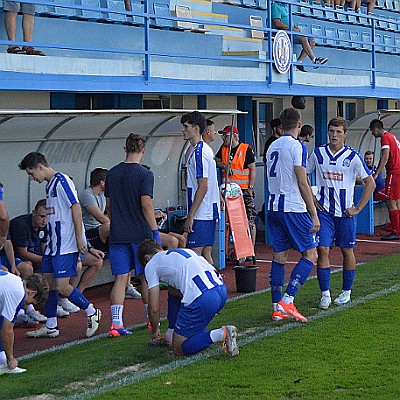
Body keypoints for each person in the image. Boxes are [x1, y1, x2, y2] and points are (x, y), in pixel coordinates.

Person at [18, 152, 102, 338]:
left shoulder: (62, 180)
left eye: (31, 173)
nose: (32, 178)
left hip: (65, 245)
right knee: (47, 285)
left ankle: (91, 311)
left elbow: (75, 206)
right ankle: (51, 325)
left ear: (40, 167)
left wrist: (81, 238)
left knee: (62, 286)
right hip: (53, 245)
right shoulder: (50, 186)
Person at [307, 117, 375, 309]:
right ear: (327, 132)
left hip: (345, 213)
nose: (334, 135)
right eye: (331, 131)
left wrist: (358, 208)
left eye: (338, 132)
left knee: (347, 251)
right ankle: (325, 294)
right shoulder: (319, 153)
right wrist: (312, 199)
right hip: (325, 212)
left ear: (345, 134)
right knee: (322, 250)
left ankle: (346, 292)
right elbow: (303, 174)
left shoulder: (353, 157)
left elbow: (369, 182)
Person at [138, 239, 238, 357]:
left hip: (203, 298)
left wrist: (154, 332)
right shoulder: (179, 252)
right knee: (172, 290)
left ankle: (221, 334)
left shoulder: (151, 264)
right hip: (221, 290)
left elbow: (153, 308)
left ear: (147, 258)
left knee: (179, 348)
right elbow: (174, 291)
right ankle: (171, 333)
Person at [266, 107, 319, 323]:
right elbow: (302, 180)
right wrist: (313, 212)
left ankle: (276, 306)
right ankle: (288, 300)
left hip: (273, 206)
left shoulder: (272, 146)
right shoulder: (297, 147)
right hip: (292, 207)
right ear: (299, 124)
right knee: (311, 254)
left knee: (280, 254)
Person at [105, 133, 161, 337]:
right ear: (143, 150)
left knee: (121, 279)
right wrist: (155, 231)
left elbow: (109, 207)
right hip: (141, 235)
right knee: (146, 278)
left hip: (118, 233)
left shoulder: (111, 174)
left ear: (125, 149)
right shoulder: (145, 174)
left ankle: (116, 324)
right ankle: (150, 319)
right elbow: (146, 204)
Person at [182, 111, 220, 265]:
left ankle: (210, 287)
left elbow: (203, 186)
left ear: (196, 128)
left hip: (202, 213)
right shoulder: (200, 150)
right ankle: (215, 287)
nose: (183, 130)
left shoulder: (200, 152)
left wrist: (190, 216)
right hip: (206, 211)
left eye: (186, 127)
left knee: (195, 260)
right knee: (205, 257)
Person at [216, 125, 257, 248]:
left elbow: (253, 169)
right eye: (222, 135)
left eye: (226, 135)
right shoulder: (223, 148)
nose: (223, 138)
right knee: (230, 221)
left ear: (234, 136)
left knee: (249, 219)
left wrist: (250, 187)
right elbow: (216, 160)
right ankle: (231, 247)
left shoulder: (245, 149)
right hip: (227, 190)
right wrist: (224, 166)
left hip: (243, 190)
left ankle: (251, 247)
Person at [0, 272, 49, 373]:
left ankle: (2, 360)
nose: (26, 306)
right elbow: (7, 331)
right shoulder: (18, 293)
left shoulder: (16, 281)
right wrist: (11, 358)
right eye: (29, 302)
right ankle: (5, 361)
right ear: (33, 293)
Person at [271, 1, 328, 72]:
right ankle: (314, 60)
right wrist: (291, 28)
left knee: (312, 41)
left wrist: (295, 27)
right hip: (283, 32)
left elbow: (288, 21)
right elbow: (277, 23)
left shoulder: (286, 6)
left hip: (291, 31)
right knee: (303, 38)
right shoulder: (275, 6)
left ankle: (299, 62)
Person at [369, 119, 400, 240]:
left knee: (390, 201)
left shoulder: (385, 138)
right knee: (396, 202)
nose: (372, 133)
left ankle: (396, 231)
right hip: (398, 171)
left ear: (376, 129)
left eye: (372, 131)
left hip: (394, 172)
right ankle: (397, 228)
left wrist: (376, 174)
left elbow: (385, 157)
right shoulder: (393, 136)